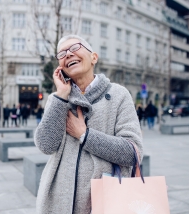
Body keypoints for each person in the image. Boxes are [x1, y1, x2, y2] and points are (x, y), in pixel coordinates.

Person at [34, 35, 142, 214]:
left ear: (94, 57)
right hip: (58, 204)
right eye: (62, 53)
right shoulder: (57, 99)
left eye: (75, 47)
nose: (68, 54)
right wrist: (61, 95)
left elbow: (132, 153)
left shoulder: (119, 95)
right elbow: (46, 145)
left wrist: (85, 135)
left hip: (106, 202)